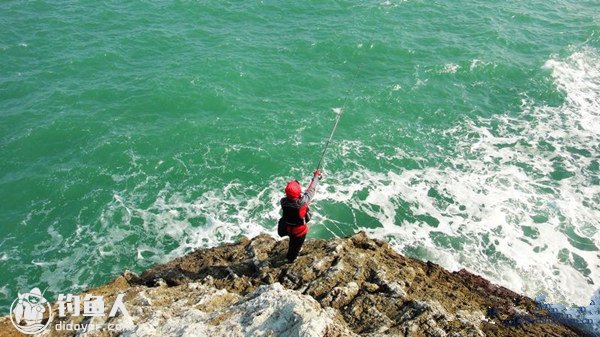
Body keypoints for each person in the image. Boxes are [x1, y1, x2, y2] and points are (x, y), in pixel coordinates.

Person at [278, 170, 322, 262]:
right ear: (298, 193)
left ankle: (292, 252)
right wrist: (316, 177)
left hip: (288, 227)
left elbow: (291, 196)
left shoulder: (283, 201)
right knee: (296, 245)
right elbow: (311, 189)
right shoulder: (302, 203)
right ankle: (291, 259)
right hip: (299, 231)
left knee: (292, 241)